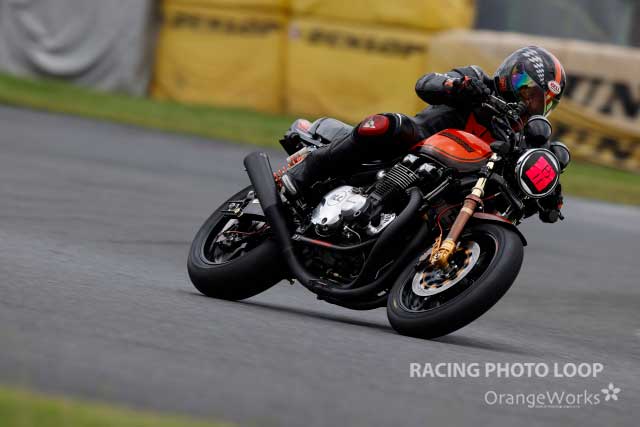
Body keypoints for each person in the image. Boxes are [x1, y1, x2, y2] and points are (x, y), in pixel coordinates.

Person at [277, 46, 569, 223]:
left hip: (455, 182)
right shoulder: (478, 80)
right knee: (386, 123)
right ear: (512, 77)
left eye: (541, 103)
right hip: (420, 142)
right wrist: (458, 87)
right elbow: (426, 83)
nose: (531, 105)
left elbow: (530, 182)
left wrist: (551, 193)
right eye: (529, 93)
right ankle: (309, 168)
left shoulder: (521, 137)